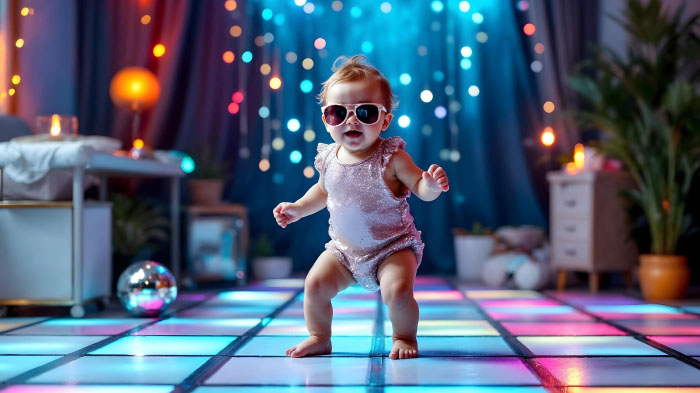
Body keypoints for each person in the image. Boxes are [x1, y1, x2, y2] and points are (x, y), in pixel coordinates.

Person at [273, 55, 449, 360]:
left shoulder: (392, 157)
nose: (351, 121)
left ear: (385, 119)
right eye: (337, 113)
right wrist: (298, 208)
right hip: (344, 251)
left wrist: (430, 186)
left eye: (365, 112)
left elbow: (420, 186)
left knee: (396, 293)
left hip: (392, 248)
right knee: (314, 285)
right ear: (325, 119)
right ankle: (319, 336)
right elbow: (322, 191)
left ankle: (403, 335)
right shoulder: (328, 157)